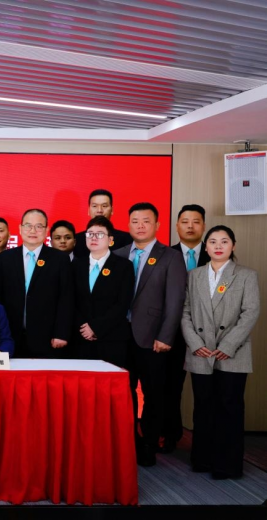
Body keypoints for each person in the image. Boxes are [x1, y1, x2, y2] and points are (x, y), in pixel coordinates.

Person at [181, 225, 259, 480]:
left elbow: (251, 313)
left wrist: (227, 346)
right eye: (213, 241)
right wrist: (195, 343)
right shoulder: (194, 275)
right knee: (203, 407)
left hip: (232, 352)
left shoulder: (246, 275)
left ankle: (227, 465)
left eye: (224, 241)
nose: (218, 246)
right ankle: (202, 460)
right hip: (201, 351)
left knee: (229, 407)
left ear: (233, 245)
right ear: (206, 247)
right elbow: (185, 312)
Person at [114, 202, 186, 467]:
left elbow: (175, 300)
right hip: (120, 337)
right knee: (124, 393)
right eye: (135, 221)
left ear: (157, 225)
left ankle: (149, 443)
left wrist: (166, 336)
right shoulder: (118, 254)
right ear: (128, 225)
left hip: (153, 338)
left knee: (154, 393)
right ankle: (129, 441)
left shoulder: (170, 256)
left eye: (146, 221)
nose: (140, 226)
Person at [0, 209, 73, 358]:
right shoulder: (5, 258)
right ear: (20, 228)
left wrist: (61, 333)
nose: (33, 231)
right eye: (28, 225)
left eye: (39, 226)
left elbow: (66, 298)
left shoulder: (60, 259)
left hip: (47, 337)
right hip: (10, 336)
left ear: (47, 230)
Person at [162, 204, 210, 453]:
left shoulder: (215, 254)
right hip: (172, 333)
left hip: (207, 335)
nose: (190, 226)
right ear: (177, 226)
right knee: (170, 388)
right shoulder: (165, 255)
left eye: (196, 221)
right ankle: (171, 436)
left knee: (206, 391)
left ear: (204, 226)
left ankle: (204, 445)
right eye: (185, 221)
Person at [71, 216, 134, 368]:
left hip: (112, 338)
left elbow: (122, 304)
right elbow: (70, 300)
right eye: (90, 234)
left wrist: (95, 327)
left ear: (110, 240)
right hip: (81, 338)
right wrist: (84, 328)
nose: (93, 238)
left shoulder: (123, 266)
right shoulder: (76, 265)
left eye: (99, 234)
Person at [73, 189, 132, 258]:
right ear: (88, 210)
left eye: (104, 206)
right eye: (94, 206)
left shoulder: (127, 239)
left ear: (112, 210)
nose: (99, 210)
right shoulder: (77, 240)